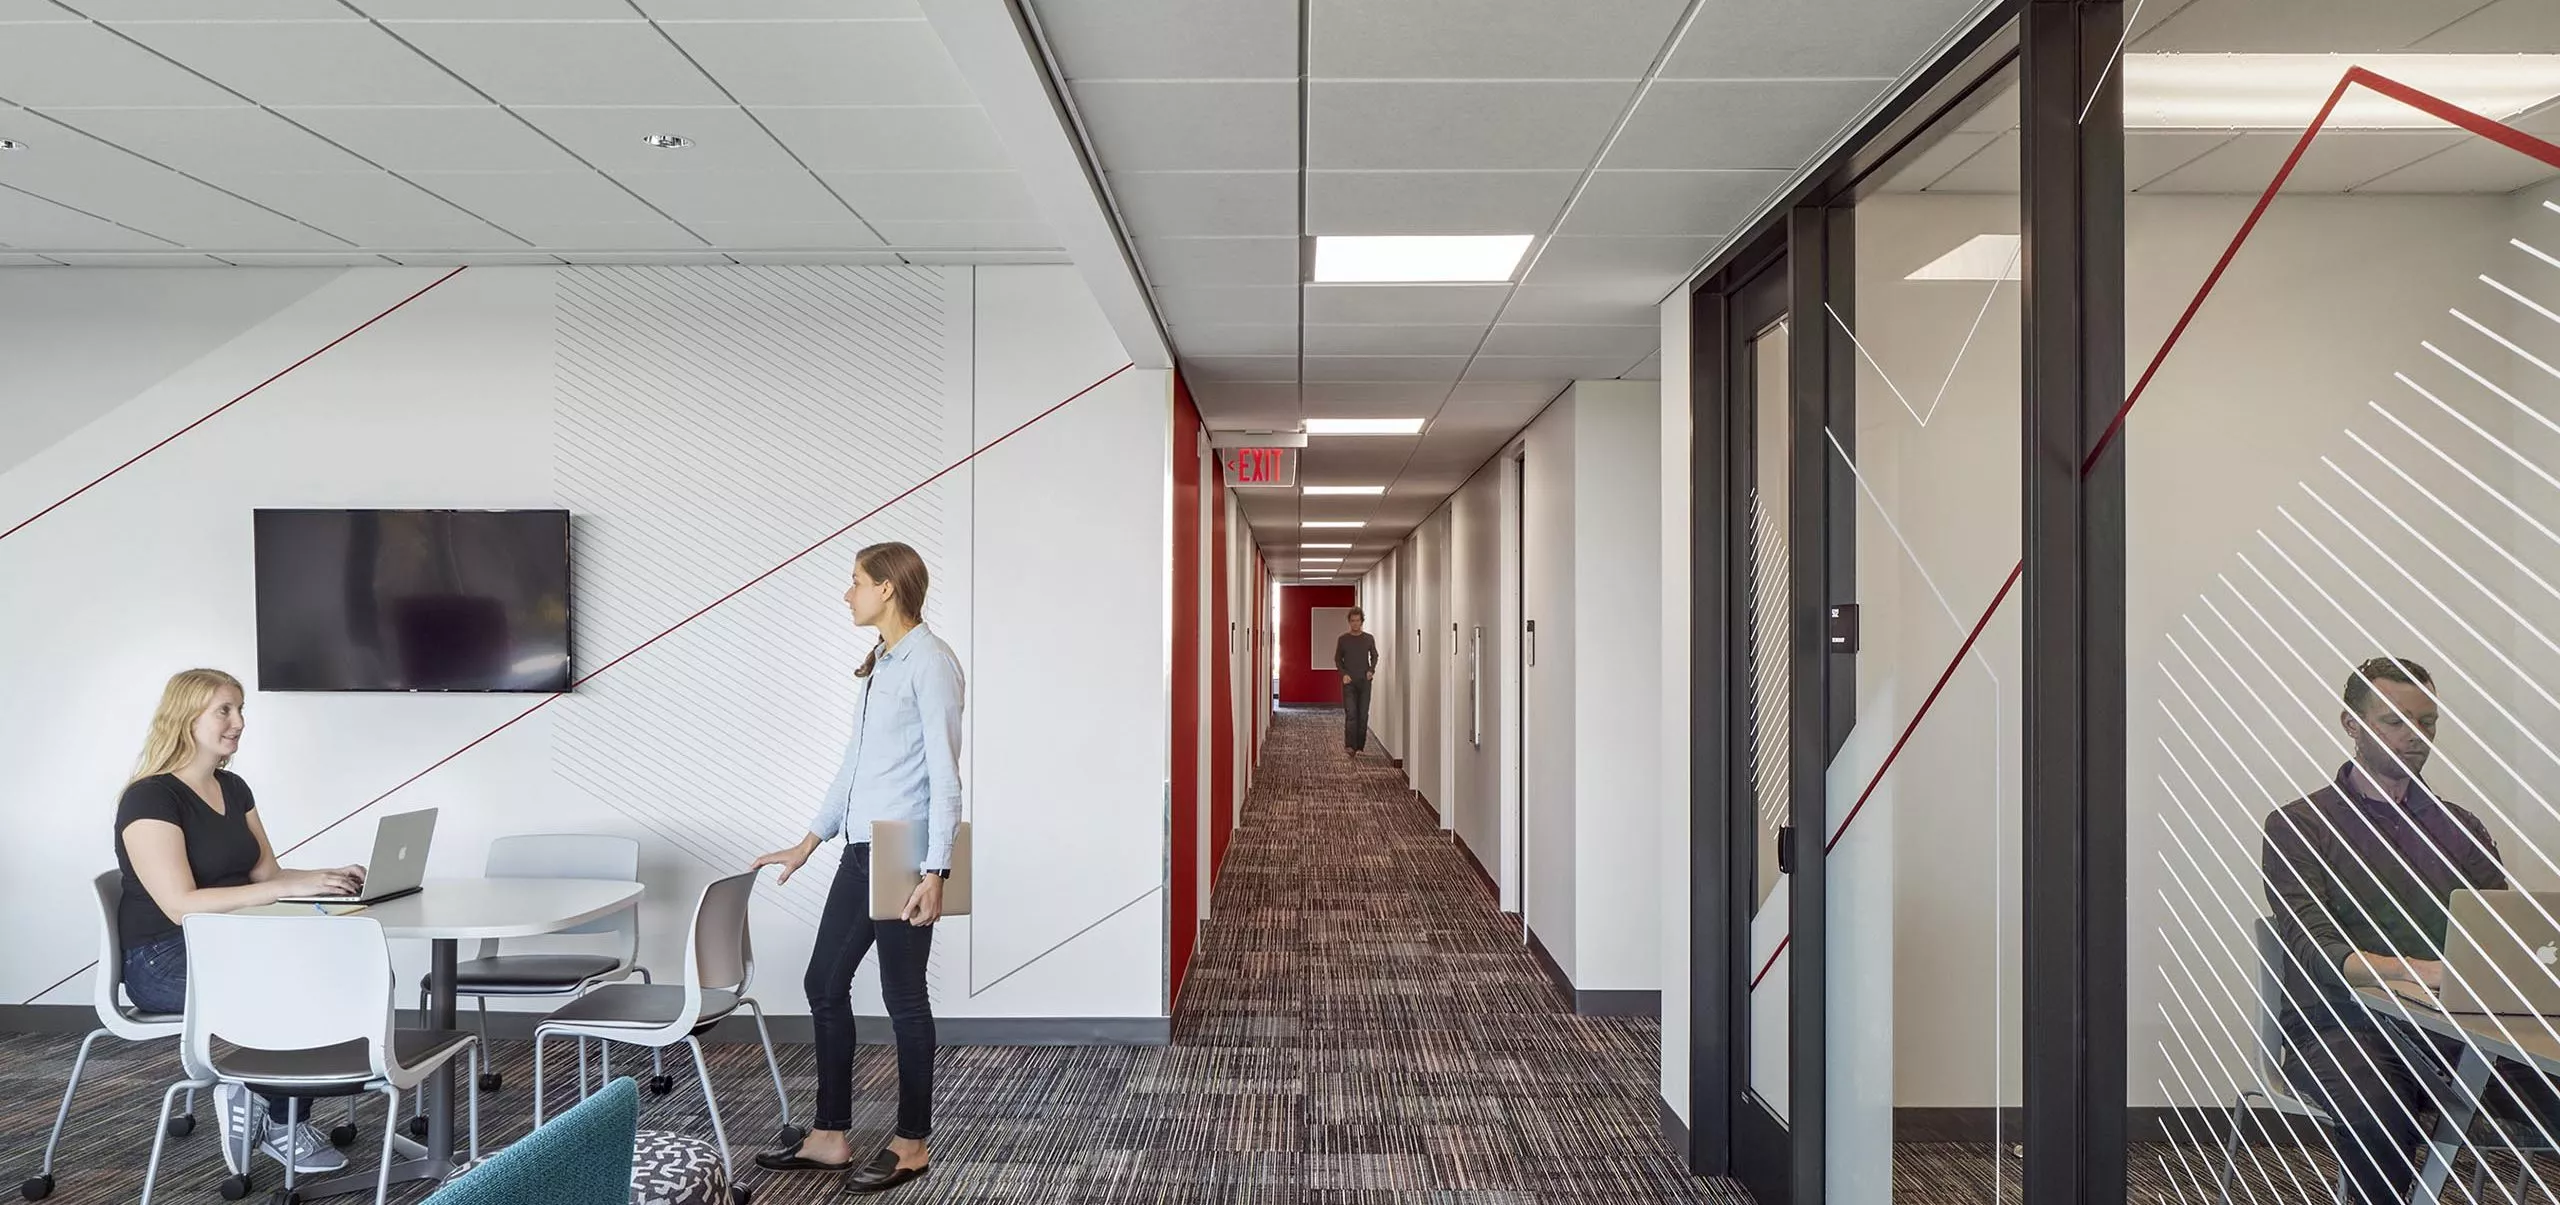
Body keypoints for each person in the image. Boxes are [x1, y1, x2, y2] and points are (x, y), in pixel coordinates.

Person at [2261, 656, 2553, 1204]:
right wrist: (2423, 972)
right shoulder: (2298, 825)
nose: (2415, 736)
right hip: (2342, 1027)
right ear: (2352, 724)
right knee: (2380, 1110)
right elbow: (2313, 947)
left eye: (2426, 722)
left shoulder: (2461, 828)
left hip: (2455, 1029)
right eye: (2394, 720)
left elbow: (2509, 935)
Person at [750, 542, 960, 1195]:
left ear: (888, 589)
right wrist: (808, 841)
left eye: (857, 582)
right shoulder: (884, 664)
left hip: (905, 848)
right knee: (823, 981)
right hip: (863, 846)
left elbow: (947, 776)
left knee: (903, 998)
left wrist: (937, 871)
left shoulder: (931, 662)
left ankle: (911, 1143)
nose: (848, 594)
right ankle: (830, 1134)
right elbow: (853, 767)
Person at [112, 668, 368, 1177]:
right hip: (165, 955)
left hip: (235, 942)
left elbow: (266, 874)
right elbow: (181, 905)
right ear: (185, 719)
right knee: (289, 986)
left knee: (349, 972)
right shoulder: (150, 798)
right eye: (224, 711)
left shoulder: (233, 786)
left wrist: (323, 876)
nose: (239, 722)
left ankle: (267, 1102)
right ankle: (274, 1118)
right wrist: (283, 888)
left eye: (240, 709)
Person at [1335, 608, 1378, 758]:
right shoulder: (1343, 639)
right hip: (1349, 682)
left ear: (1362, 621)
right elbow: (1338, 659)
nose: (1355, 624)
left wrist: (1371, 670)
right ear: (1349, 622)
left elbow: (1374, 655)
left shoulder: (1368, 639)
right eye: (1352, 621)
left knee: (1363, 714)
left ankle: (1360, 745)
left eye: (1357, 621)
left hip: (1364, 682)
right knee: (1351, 713)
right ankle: (1350, 746)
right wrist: (1344, 674)